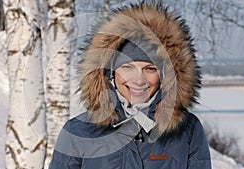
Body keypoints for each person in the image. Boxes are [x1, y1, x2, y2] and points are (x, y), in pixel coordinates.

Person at [49, 2, 211, 169]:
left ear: (165, 75)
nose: (138, 80)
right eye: (127, 67)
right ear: (110, 72)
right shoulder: (77, 132)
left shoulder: (188, 131)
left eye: (150, 69)